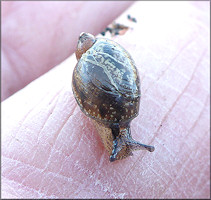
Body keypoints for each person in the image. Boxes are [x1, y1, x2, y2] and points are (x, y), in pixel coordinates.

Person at [2, 1, 210, 198]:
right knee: (115, 114)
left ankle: (121, 140)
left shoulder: (103, 52)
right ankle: (119, 140)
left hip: (121, 103)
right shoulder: (90, 62)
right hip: (116, 103)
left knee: (117, 114)